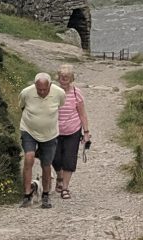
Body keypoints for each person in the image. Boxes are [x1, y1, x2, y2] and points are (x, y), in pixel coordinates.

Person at [18, 71, 64, 210]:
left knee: (46, 164)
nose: (42, 92)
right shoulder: (26, 93)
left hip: (50, 134)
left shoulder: (59, 93)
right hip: (29, 130)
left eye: (45, 89)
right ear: (35, 85)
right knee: (29, 157)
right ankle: (27, 194)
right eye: (39, 89)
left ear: (50, 85)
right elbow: (21, 105)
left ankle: (45, 194)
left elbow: (60, 106)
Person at [54, 64, 91, 198]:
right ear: (58, 77)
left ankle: (65, 188)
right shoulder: (53, 91)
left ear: (71, 78)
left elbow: (82, 114)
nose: (64, 79)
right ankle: (59, 177)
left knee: (69, 160)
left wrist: (86, 132)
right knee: (55, 158)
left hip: (73, 130)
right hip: (54, 131)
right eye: (62, 76)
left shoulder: (76, 93)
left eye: (67, 77)